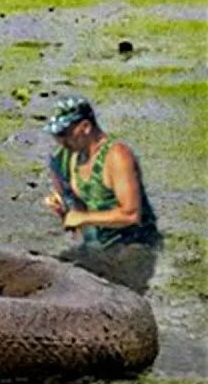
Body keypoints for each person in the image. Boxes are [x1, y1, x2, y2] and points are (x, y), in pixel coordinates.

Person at [40, 96, 161, 293]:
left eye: (64, 133)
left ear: (85, 127)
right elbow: (77, 222)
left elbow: (130, 215)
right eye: (56, 135)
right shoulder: (64, 159)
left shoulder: (117, 156)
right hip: (95, 248)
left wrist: (82, 218)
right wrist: (64, 213)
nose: (60, 141)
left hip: (132, 247)